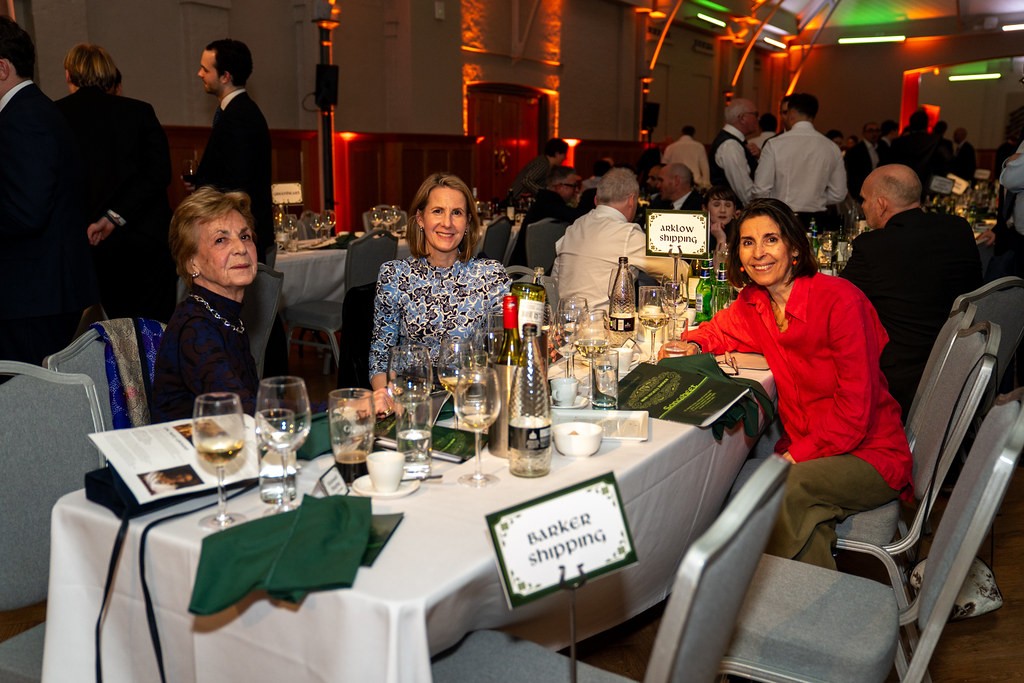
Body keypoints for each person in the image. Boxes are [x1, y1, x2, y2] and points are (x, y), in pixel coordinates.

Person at [663, 198, 911, 570]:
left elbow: (855, 414)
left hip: (868, 453)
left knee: (783, 488)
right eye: (748, 242)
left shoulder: (841, 301)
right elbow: (718, 330)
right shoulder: (756, 303)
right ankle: (809, 602)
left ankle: (742, 591)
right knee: (804, 516)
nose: (758, 253)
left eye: (771, 240)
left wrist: (795, 457)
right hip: (809, 448)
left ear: (794, 248)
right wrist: (695, 344)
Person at [842, 165, 982, 420]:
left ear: (881, 204)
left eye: (864, 199)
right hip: (962, 366)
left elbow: (837, 301)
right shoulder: (959, 228)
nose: (862, 206)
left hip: (902, 383)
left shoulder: (873, 247)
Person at [0, 17, 98, 364]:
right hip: (39, 291)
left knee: (23, 391)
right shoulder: (33, 110)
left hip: (32, 294)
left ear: (2, 68)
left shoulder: (23, 117)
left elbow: (26, 211)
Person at [56, 43, 177, 322]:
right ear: (108, 73)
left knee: (99, 332)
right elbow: (158, 174)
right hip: (144, 243)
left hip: (84, 245)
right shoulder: (139, 112)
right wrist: (114, 216)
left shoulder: (56, 115)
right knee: (151, 329)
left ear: (68, 75)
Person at [370, 173, 511, 412]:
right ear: (420, 219)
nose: (447, 223)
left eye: (457, 213)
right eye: (437, 211)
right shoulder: (395, 275)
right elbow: (380, 353)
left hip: (471, 399)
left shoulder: (490, 275)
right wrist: (385, 398)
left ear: (468, 222)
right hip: (411, 400)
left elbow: (506, 348)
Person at [152, 188, 260, 422]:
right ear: (191, 263)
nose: (241, 248)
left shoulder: (224, 316)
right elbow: (241, 411)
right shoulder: (196, 328)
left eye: (245, 236)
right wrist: (334, 407)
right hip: (188, 444)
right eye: (221, 240)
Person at [552, 168, 685, 312]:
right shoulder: (627, 235)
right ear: (631, 200)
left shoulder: (573, 228)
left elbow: (555, 281)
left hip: (565, 320)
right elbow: (679, 272)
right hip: (603, 323)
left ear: (596, 200)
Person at [191, 38, 273, 263]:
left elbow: (238, 183)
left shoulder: (239, 117)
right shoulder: (237, 112)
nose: (199, 74)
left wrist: (206, 187)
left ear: (225, 76)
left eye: (205, 69)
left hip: (238, 235)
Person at [752, 93, 847, 231]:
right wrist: (815, 198)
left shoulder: (775, 144)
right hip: (817, 219)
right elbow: (839, 193)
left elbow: (760, 189)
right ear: (813, 115)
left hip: (782, 217)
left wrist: (775, 202)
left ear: (792, 113)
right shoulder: (831, 147)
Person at [510, 165, 585, 267]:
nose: (576, 190)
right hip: (525, 270)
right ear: (559, 186)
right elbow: (578, 217)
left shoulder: (545, 200)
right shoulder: (549, 204)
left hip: (527, 268)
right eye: (574, 186)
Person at [709, 98, 759, 206]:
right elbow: (744, 191)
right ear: (742, 118)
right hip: (732, 211)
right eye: (755, 114)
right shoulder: (731, 145)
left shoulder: (733, 142)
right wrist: (757, 208)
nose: (758, 119)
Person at [844, 121, 881, 201]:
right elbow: (853, 176)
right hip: (861, 191)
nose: (874, 133)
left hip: (879, 190)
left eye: (877, 131)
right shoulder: (855, 151)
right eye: (871, 131)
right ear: (864, 133)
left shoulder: (882, 148)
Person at [704, 185, 740, 265]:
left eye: (728, 205)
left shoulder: (740, 234)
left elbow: (722, 268)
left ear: (734, 210)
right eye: (716, 205)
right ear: (705, 209)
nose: (723, 210)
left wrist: (721, 239)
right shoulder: (698, 236)